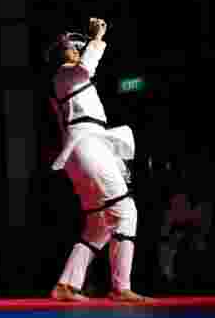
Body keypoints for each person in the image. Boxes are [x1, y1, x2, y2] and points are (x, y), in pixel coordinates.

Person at [46, 18, 149, 303]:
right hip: (87, 145)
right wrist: (97, 39)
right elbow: (85, 69)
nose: (75, 48)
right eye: (69, 46)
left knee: (100, 224)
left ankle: (66, 284)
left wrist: (92, 43)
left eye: (77, 45)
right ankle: (121, 287)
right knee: (125, 210)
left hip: (85, 148)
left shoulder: (67, 76)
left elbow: (84, 69)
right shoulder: (65, 74)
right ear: (60, 54)